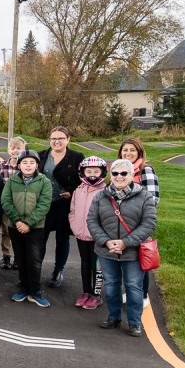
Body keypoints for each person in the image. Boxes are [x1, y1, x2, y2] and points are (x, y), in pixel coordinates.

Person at [88, 159, 157, 337]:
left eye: (124, 173)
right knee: (111, 286)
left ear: (131, 175)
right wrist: (106, 241)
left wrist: (126, 242)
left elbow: (148, 223)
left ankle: (134, 322)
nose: (119, 177)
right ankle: (113, 317)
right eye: (115, 173)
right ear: (111, 176)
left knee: (134, 287)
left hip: (132, 252)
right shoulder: (100, 196)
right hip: (107, 251)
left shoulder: (144, 196)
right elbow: (92, 221)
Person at [1, 150, 53, 308]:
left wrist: (28, 223)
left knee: (35, 260)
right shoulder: (11, 181)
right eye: (25, 162)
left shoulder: (44, 181)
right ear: (19, 165)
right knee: (21, 258)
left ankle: (35, 291)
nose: (28, 165)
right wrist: (17, 221)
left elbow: (44, 205)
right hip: (15, 226)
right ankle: (23, 288)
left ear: (37, 165)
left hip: (35, 228)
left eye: (32, 163)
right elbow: (6, 201)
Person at [39, 126, 85, 288]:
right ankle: (36, 269)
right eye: (53, 138)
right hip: (44, 204)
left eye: (60, 138)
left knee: (62, 238)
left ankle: (58, 271)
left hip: (65, 204)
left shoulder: (76, 157)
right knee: (40, 237)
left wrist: (71, 192)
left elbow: (83, 180)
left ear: (68, 140)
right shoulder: (41, 156)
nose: (57, 141)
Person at [118, 137, 160, 297]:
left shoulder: (145, 170)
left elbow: (153, 199)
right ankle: (131, 292)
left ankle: (142, 295)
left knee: (140, 259)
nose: (128, 153)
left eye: (132, 150)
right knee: (127, 259)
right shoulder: (120, 170)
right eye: (125, 150)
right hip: (121, 223)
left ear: (139, 152)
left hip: (138, 223)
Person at [69, 156, 107, 311]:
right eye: (89, 171)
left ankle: (96, 295)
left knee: (96, 266)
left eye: (96, 171)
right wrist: (75, 227)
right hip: (81, 234)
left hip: (97, 237)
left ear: (102, 172)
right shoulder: (78, 190)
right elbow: (72, 211)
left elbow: (108, 216)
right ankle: (86, 292)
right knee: (84, 263)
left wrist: (102, 234)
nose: (92, 174)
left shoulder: (105, 192)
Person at [0, 137, 26, 270]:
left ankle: (18, 257)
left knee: (19, 232)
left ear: (23, 149)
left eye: (18, 148)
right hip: (7, 204)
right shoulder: (3, 165)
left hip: (20, 204)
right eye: (12, 148)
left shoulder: (25, 166)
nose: (15, 151)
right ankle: (6, 256)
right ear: (8, 149)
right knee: (6, 232)